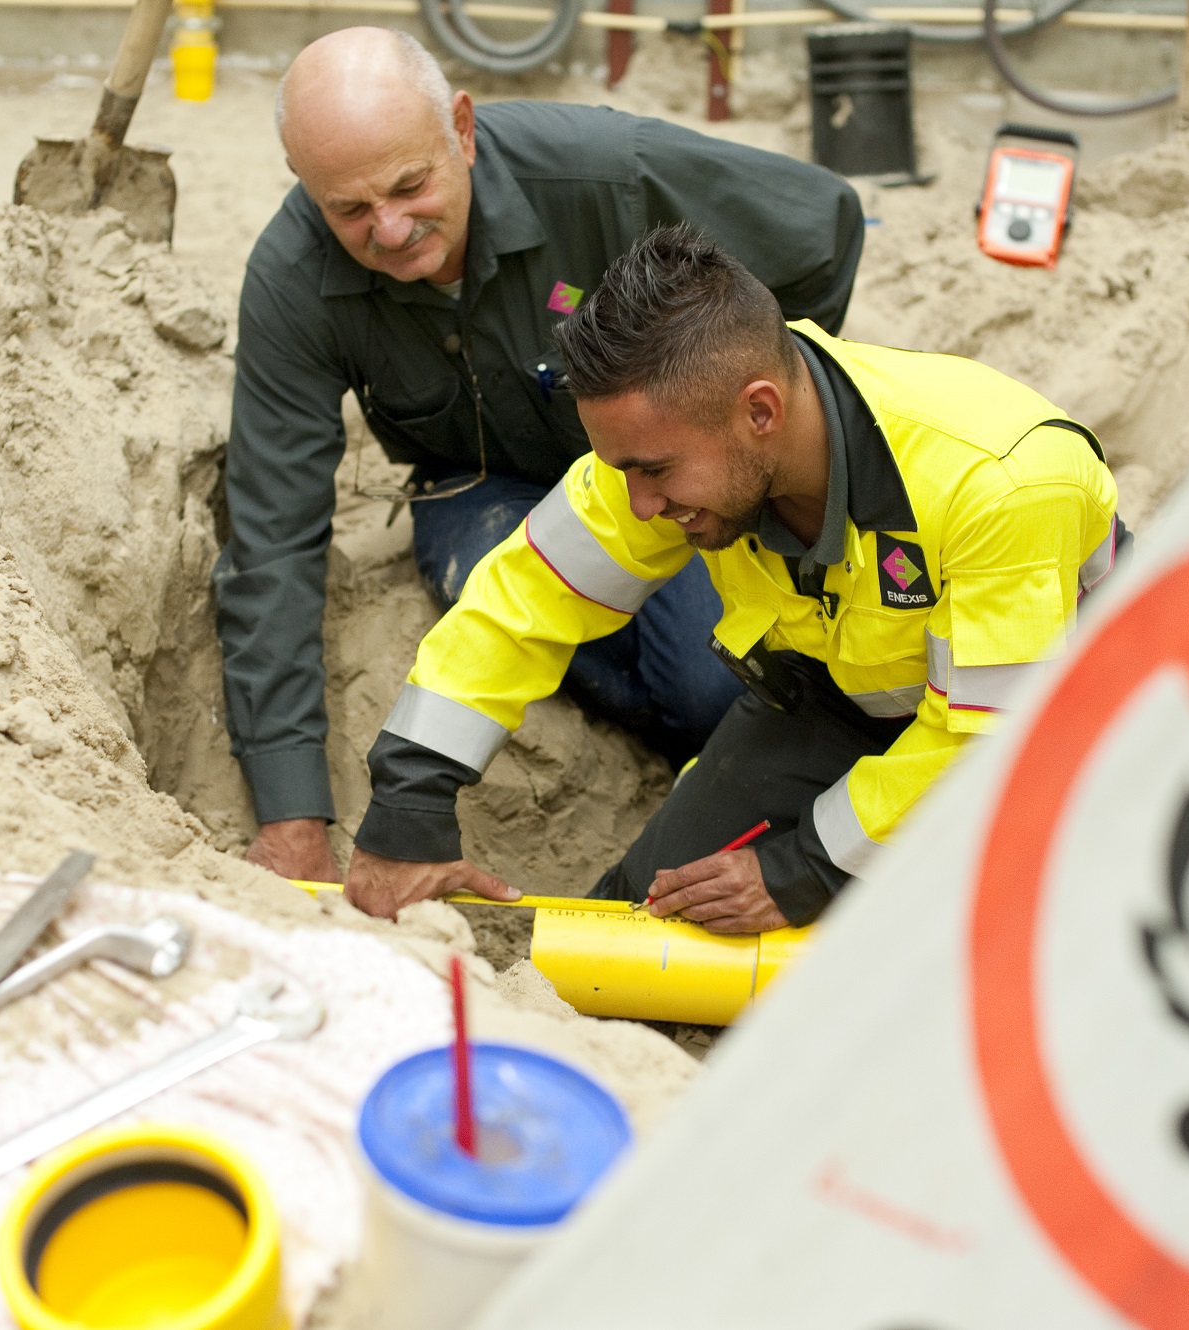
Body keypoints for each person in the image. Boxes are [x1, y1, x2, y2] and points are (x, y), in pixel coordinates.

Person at [219, 28, 866, 883]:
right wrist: (292, 812)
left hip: (654, 488)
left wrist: (746, 440)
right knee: (496, 584)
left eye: (411, 185)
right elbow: (273, 536)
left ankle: (699, 725)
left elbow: (823, 224)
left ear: (462, 127)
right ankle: (661, 735)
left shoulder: (607, 171)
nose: (392, 227)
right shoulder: (290, 278)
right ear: (307, 187)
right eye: (349, 210)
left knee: (712, 684)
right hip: (485, 491)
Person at [344, 226, 1125, 931]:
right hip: (839, 695)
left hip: (1057, 723)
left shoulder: (1005, 483)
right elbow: (520, 601)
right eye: (623, 470)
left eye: (655, 471)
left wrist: (800, 869)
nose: (640, 503)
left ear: (761, 412)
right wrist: (409, 803)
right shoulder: (670, 436)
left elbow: (984, 738)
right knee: (641, 918)